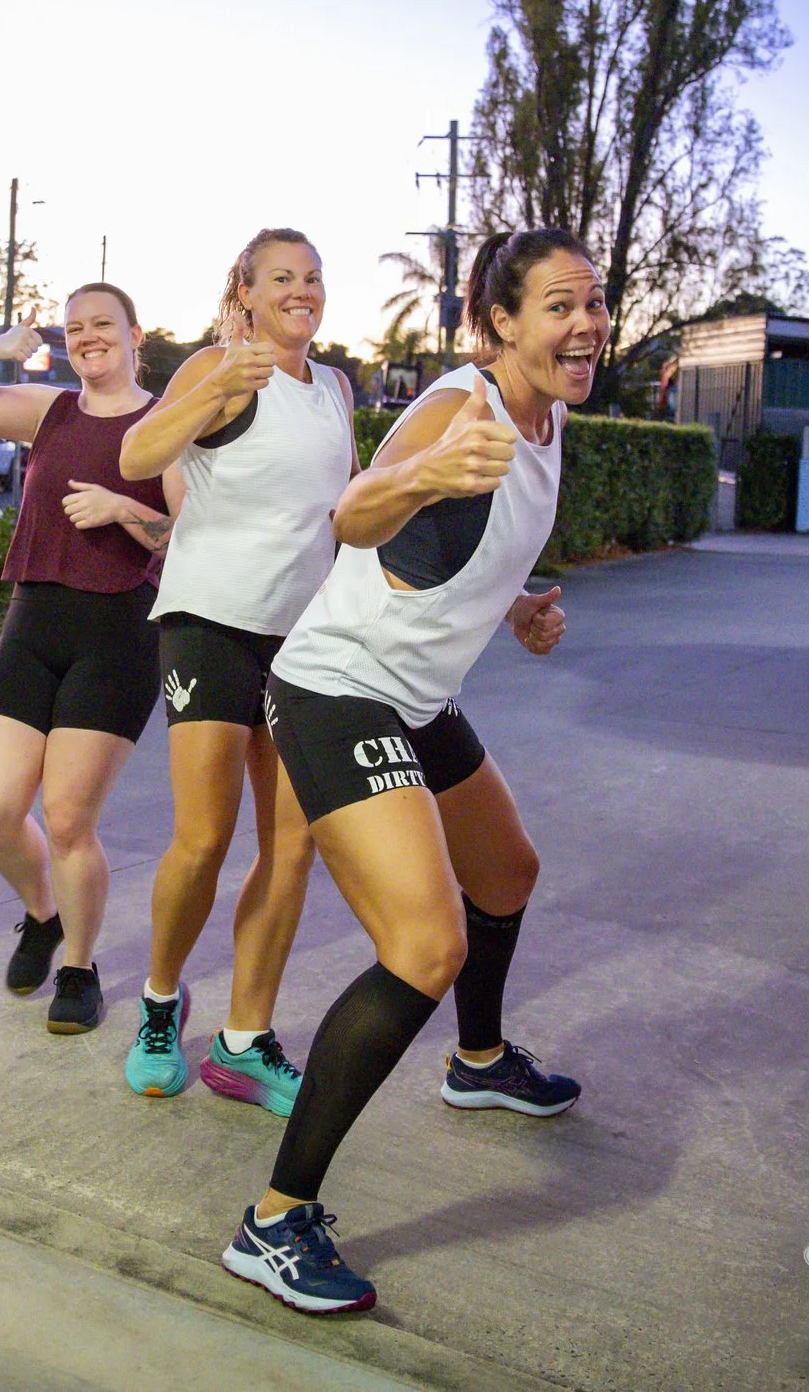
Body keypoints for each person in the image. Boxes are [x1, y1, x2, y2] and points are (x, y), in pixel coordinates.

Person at [220, 228, 601, 1315]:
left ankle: (476, 1061)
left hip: (416, 694)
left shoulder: (548, 414)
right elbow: (356, 515)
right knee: (424, 944)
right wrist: (423, 470)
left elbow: (455, 546)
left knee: (507, 872)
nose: (585, 325)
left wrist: (516, 607)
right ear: (502, 323)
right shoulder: (457, 406)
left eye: (593, 302)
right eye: (560, 305)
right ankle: (275, 1220)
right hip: (338, 689)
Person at [113, 229, 355, 1112]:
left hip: (303, 640)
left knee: (293, 845)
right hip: (210, 624)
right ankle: (159, 1003)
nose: (301, 291)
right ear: (246, 292)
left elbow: (353, 507)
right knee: (205, 838)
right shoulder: (215, 367)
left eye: (313, 277)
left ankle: (245, 1042)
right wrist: (218, 386)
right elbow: (137, 458)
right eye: (282, 277)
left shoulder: (335, 388)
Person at [0, 282, 173, 1034]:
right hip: (34, 622)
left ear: (135, 334)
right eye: (73, 328)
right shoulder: (50, 410)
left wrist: (123, 509)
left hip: (119, 632)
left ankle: (80, 968)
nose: (87, 336)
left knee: (67, 820)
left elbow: (191, 534)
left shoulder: (169, 423)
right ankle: (43, 913)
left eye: (103, 323)